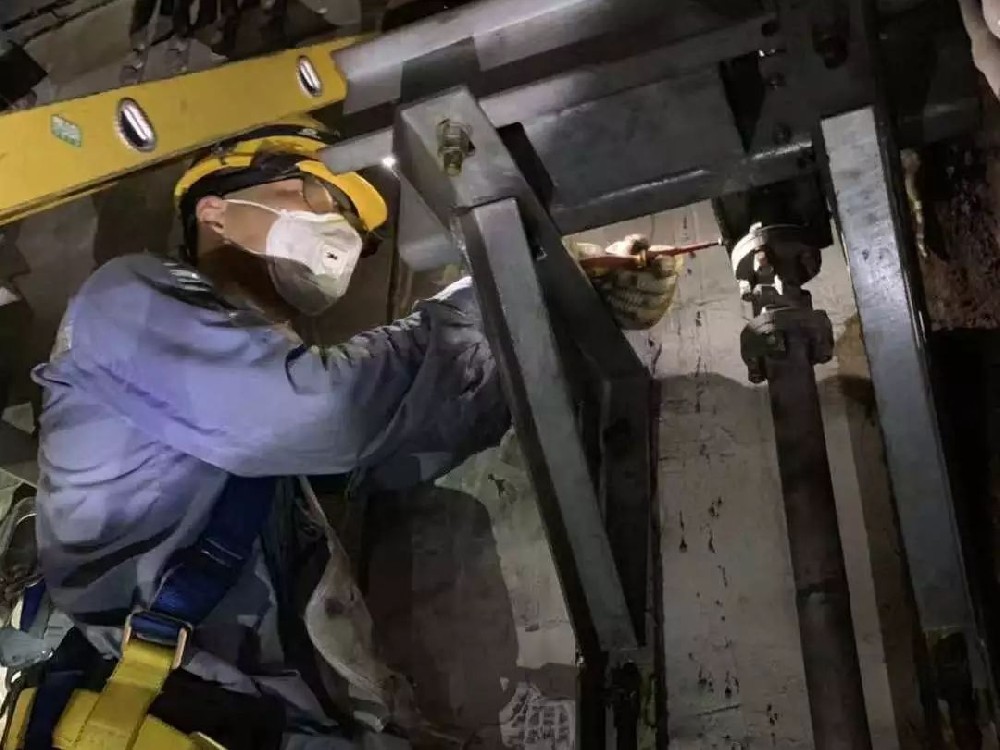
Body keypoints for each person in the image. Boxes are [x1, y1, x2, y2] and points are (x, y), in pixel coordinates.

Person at [8, 120, 681, 750]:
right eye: (314, 193)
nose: (342, 231)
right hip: (159, 709)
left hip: (262, 717)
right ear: (213, 210)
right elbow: (328, 413)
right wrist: (495, 287)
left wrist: (548, 313)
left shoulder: (255, 394)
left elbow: (407, 445)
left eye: (356, 226)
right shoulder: (129, 297)